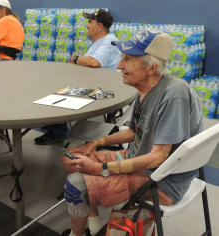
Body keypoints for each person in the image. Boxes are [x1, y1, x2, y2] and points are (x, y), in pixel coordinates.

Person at [61, 30, 203, 236]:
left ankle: (77, 233)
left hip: (161, 180)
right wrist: (96, 142)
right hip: (142, 161)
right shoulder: (145, 88)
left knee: (75, 184)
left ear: (151, 67)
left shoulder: (174, 95)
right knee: (73, 156)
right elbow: (134, 132)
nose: (119, 65)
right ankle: (93, 219)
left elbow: (158, 157)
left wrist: (101, 167)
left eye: (127, 59)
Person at [34, 9, 121, 146]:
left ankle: (57, 132)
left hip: (104, 90)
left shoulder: (109, 41)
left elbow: (94, 62)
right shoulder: (100, 41)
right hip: (96, 83)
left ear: (99, 25)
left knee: (61, 92)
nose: (87, 25)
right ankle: (54, 126)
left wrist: (76, 58)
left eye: (90, 22)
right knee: (57, 86)